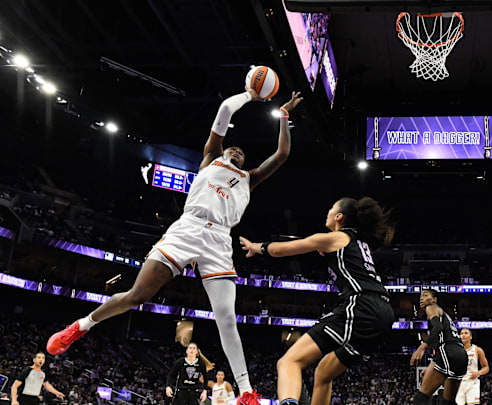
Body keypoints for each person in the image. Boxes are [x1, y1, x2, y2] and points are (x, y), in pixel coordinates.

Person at [47, 85, 304, 405]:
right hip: (188, 228)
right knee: (138, 295)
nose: (236, 150)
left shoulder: (249, 179)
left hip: (219, 240)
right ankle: (80, 326)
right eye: (232, 148)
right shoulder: (211, 158)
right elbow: (224, 110)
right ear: (223, 151)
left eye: (241, 152)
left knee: (226, 316)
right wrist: (251, 95)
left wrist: (283, 115)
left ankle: (246, 391)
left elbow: (282, 155)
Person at [239, 197, 395, 405]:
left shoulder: (336, 238)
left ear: (339, 217)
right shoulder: (359, 242)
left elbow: (281, 249)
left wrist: (256, 246)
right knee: (323, 373)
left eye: (331, 209)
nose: (327, 212)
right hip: (383, 311)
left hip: (361, 306)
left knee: (289, 362)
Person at [411, 289, 467, 405]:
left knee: (420, 399)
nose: (421, 298)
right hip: (460, 355)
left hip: (448, 352)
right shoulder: (444, 314)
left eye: (425, 295)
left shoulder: (431, 307)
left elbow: (438, 328)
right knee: (448, 402)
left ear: (434, 299)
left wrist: (423, 346)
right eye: (420, 296)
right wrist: (432, 367)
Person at [455, 329, 489, 405]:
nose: (463, 335)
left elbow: (486, 367)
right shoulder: (456, 350)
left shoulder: (477, 350)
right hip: (458, 382)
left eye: (466, 333)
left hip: (472, 382)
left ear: (470, 337)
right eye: (461, 333)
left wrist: (478, 373)